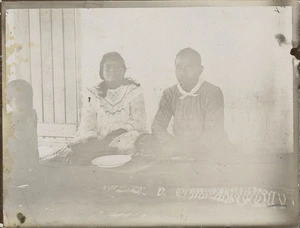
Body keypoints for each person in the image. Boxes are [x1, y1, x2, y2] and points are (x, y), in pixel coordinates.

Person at [58, 52, 147, 165]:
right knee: (82, 152)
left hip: (124, 137)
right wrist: (93, 140)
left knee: (132, 147)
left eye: (117, 67)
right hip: (98, 139)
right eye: (108, 67)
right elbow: (88, 119)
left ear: (124, 71)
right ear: (101, 71)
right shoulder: (91, 94)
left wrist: (115, 135)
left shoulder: (134, 91)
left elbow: (139, 120)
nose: (112, 70)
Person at [151, 48, 229, 159]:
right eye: (179, 67)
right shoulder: (169, 93)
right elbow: (157, 126)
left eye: (189, 67)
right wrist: (172, 144)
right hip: (181, 150)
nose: (182, 72)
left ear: (200, 70)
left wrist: (193, 149)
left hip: (210, 149)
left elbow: (214, 130)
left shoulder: (212, 92)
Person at [4, 79, 39, 185]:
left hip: (30, 164)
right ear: (9, 102)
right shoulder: (7, 120)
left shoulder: (32, 115)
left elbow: (34, 142)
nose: (24, 104)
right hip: (13, 165)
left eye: (27, 100)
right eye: (19, 100)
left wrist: (35, 166)